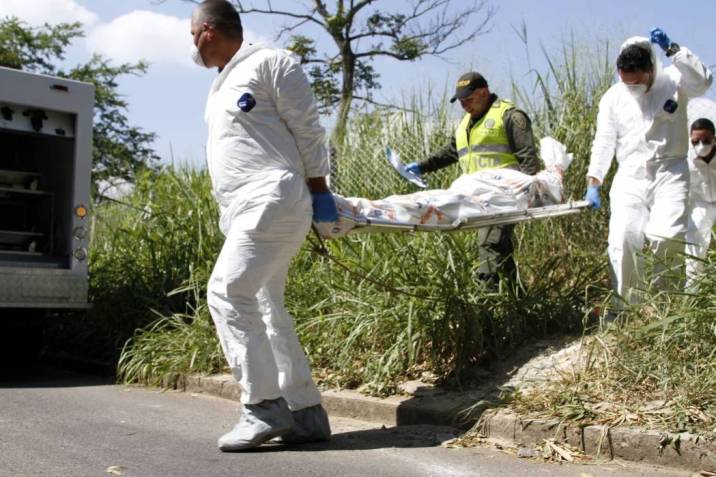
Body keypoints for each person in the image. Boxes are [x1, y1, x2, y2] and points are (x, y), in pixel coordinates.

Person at [190, 0, 336, 451]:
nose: (192, 46)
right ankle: (305, 413)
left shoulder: (272, 63)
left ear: (208, 31)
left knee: (227, 291)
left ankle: (262, 408)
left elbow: (308, 130)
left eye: (192, 36)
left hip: (272, 196)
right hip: (244, 208)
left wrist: (319, 189)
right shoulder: (221, 84)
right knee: (264, 304)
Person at [584, 28, 712, 305]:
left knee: (666, 236)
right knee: (623, 238)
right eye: (627, 82)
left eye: (637, 82)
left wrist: (674, 50)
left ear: (651, 69)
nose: (632, 87)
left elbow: (703, 81)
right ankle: (627, 307)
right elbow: (604, 141)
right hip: (630, 175)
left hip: (670, 171)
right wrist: (594, 181)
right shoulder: (613, 98)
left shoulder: (675, 80)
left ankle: (667, 305)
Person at [406, 72, 541, 285]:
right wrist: (421, 167)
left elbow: (529, 160)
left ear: (484, 93)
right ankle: (516, 299)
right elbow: (450, 152)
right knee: (500, 249)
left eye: (468, 99)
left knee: (489, 245)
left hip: (504, 198)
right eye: (460, 101)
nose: (464, 106)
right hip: (479, 200)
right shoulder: (465, 124)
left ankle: (487, 299)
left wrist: (524, 198)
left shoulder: (510, 116)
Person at [685, 118, 716, 289]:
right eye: (696, 141)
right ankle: (692, 289)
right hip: (700, 203)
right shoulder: (686, 159)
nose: (701, 145)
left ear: (714, 139)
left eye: (706, 140)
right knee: (695, 234)